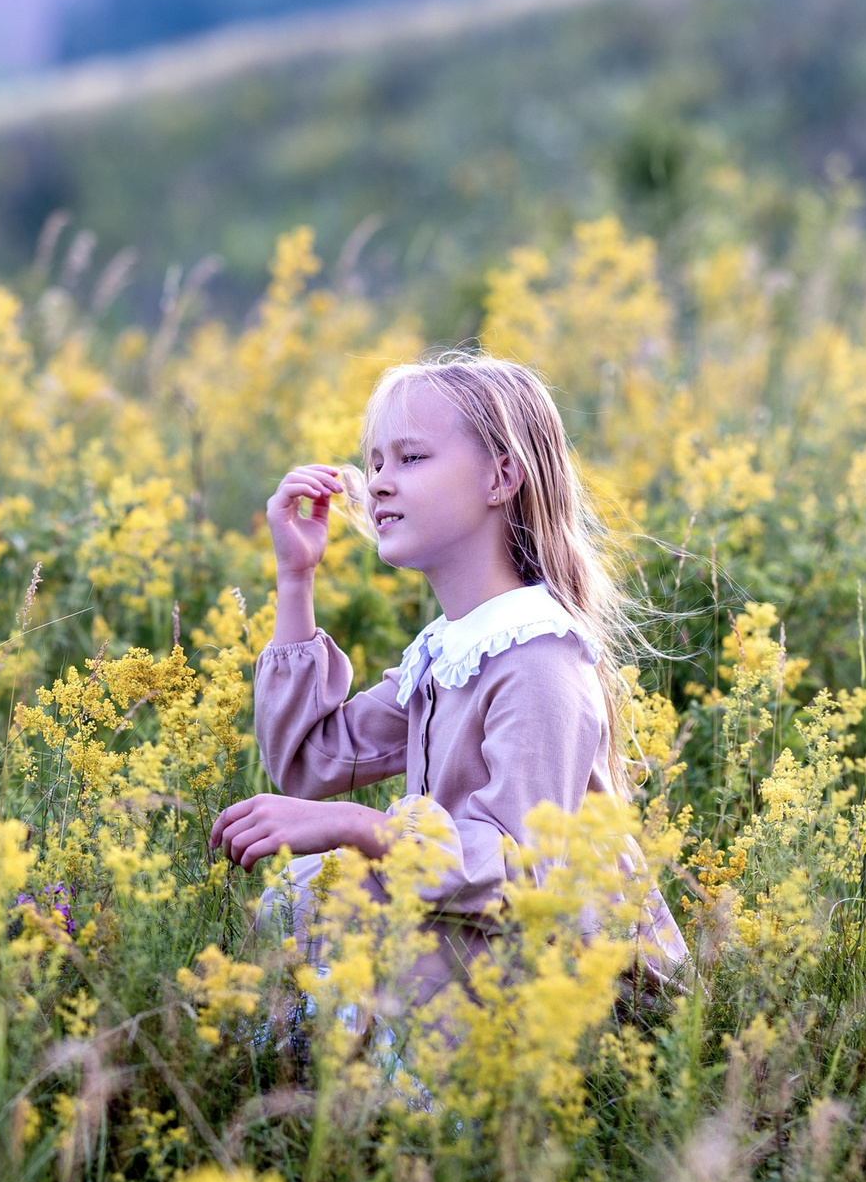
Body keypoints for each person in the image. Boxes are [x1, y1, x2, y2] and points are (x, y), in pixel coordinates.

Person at [207, 349, 687, 1017]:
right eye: (374, 462)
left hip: (569, 976)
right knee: (320, 884)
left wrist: (352, 823)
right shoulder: (451, 651)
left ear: (501, 477)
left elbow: (522, 871)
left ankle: (378, 1109)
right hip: (485, 942)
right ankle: (315, 1100)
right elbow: (310, 764)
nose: (377, 483)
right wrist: (296, 577)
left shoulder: (538, 657)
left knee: (349, 888)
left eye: (410, 458)